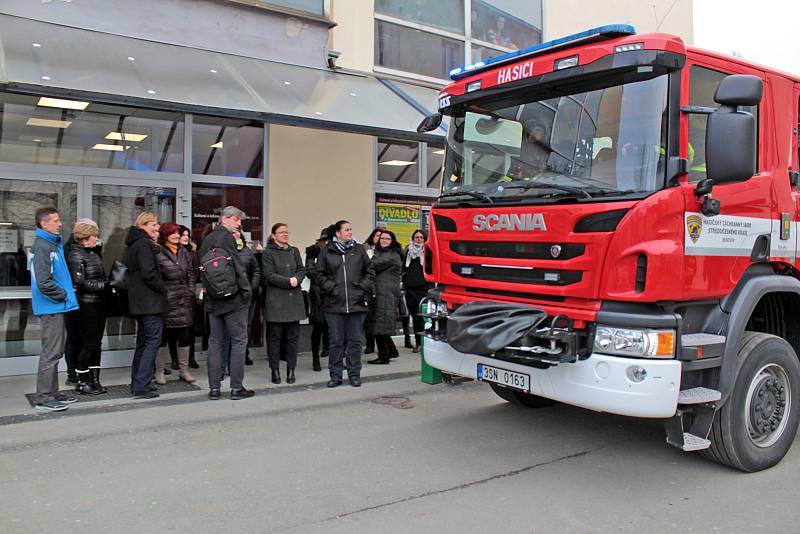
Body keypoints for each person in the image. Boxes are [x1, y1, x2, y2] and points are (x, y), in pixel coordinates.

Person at [197, 206, 254, 400]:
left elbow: (202, 270)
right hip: (233, 299)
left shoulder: (207, 240)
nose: (239, 224)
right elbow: (238, 269)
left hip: (213, 299)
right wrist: (246, 293)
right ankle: (236, 388)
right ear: (226, 218)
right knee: (238, 341)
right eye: (238, 220)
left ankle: (214, 388)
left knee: (215, 342)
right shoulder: (228, 239)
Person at [310, 220, 375, 388]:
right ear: (337, 233)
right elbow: (318, 274)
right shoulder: (327, 251)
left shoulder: (358, 249)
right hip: (334, 305)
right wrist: (331, 288)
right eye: (346, 229)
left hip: (357, 303)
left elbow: (370, 271)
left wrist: (361, 288)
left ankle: (354, 374)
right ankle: (335, 376)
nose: (350, 232)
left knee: (355, 341)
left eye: (351, 229)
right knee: (336, 342)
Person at [30, 207, 79, 412]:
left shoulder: (51, 244)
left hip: (56, 305)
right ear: (44, 224)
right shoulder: (43, 246)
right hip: (51, 306)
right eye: (56, 220)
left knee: (56, 351)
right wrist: (64, 294)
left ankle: (52, 392)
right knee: (51, 352)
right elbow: (43, 282)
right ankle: (43, 397)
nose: (60, 224)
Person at [123, 211, 166, 399]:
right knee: (152, 340)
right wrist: (162, 288)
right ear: (143, 225)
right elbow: (149, 273)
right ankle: (142, 384)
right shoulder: (143, 245)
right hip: (149, 301)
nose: (157, 228)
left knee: (143, 341)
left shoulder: (133, 244)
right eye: (153, 224)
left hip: (139, 301)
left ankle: (138, 381)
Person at [67, 219, 108, 395]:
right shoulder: (76, 255)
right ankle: (82, 381)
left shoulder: (93, 253)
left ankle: (95, 380)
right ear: (85, 237)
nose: (96, 239)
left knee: (96, 343)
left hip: (98, 303)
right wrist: (104, 285)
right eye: (94, 236)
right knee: (88, 343)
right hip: (86, 305)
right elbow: (79, 282)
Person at [154, 223, 197, 385]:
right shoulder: (158, 252)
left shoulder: (184, 252)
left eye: (178, 233)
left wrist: (190, 290)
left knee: (185, 336)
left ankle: (183, 370)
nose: (177, 236)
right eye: (174, 233)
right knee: (163, 337)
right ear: (165, 235)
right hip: (167, 299)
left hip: (184, 298)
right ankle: (159, 371)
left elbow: (191, 273)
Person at [262, 223, 306, 384]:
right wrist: (289, 281)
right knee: (275, 338)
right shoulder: (268, 253)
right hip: (276, 300)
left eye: (287, 232)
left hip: (294, 300)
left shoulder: (294, 250)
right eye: (281, 232)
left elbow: (302, 269)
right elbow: (269, 275)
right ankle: (275, 370)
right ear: (273, 235)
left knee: (293, 337)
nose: (285, 235)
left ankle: (291, 369)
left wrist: (297, 279)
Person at [366, 230, 403, 365]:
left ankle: (384, 356)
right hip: (382, 291)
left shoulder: (391, 255)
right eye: (382, 238)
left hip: (386, 292)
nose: (384, 240)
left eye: (387, 238)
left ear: (392, 241)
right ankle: (392, 351)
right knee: (381, 323)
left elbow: (371, 265)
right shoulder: (382, 253)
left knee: (380, 324)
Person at [305, 228, 330, 372]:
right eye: (324, 241)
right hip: (318, 294)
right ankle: (315, 358)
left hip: (332, 293)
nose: (326, 243)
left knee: (333, 328)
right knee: (318, 326)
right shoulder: (312, 252)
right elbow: (309, 271)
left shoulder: (335, 252)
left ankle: (333, 355)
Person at [403, 229, 432, 353]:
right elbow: (404, 267)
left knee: (424, 317)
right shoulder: (408, 251)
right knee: (415, 318)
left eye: (421, 237)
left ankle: (425, 342)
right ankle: (418, 342)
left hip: (423, 289)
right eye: (416, 237)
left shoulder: (428, 252)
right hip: (410, 289)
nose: (418, 239)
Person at [362, 228, 382, 354]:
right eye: (377, 235)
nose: (379, 238)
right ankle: (369, 344)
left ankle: (382, 346)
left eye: (381, 236)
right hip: (367, 287)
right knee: (367, 317)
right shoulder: (365, 249)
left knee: (377, 318)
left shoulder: (384, 251)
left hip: (379, 286)